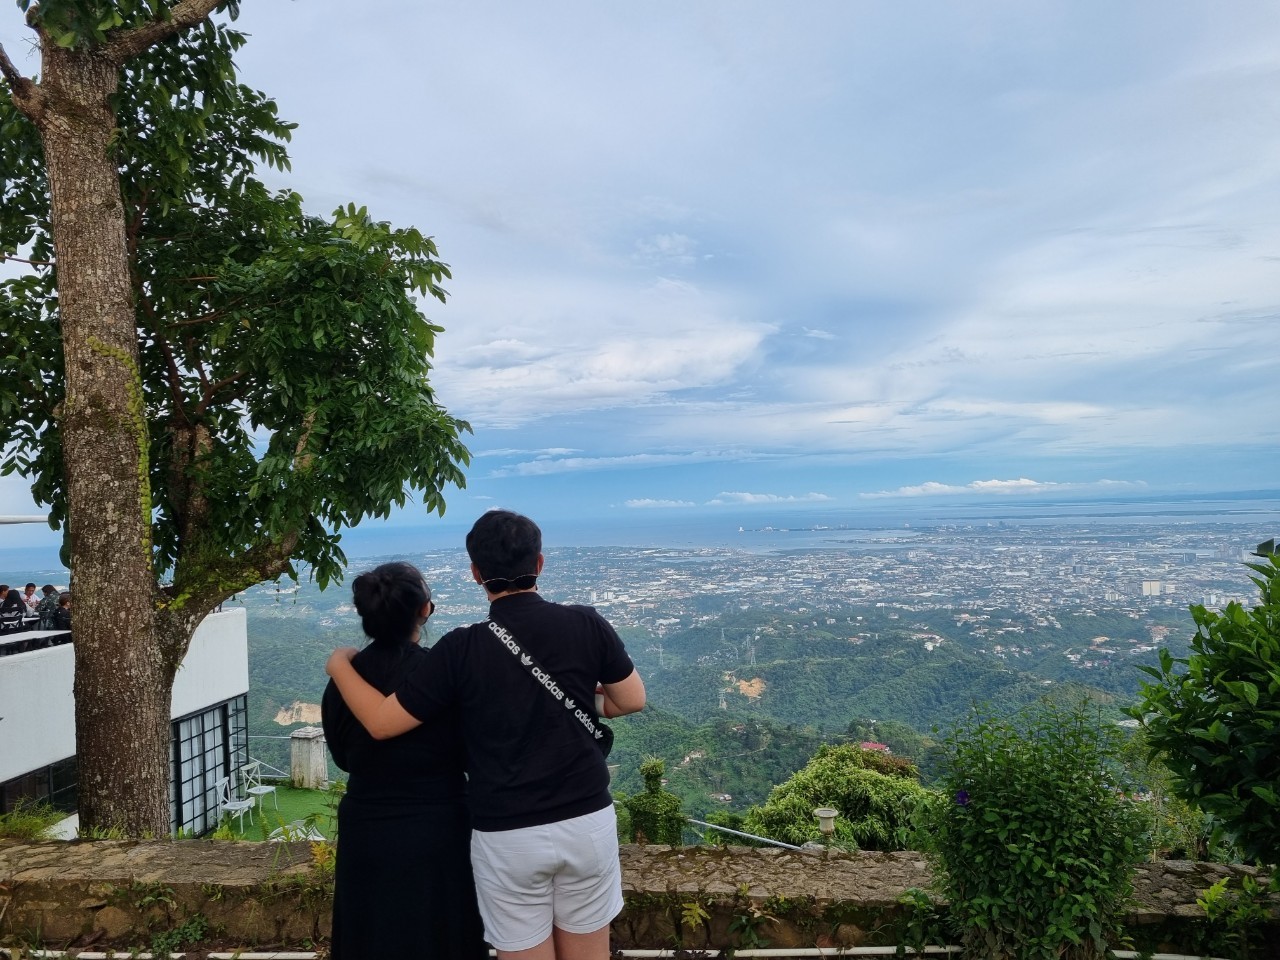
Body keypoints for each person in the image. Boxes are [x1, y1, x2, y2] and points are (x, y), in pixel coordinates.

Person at [327, 510, 646, 960]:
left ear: (476, 573)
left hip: (508, 832)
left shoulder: (462, 648)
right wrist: (579, 692)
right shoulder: (586, 622)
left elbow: (380, 723)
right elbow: (630, 699)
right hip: (585, 820)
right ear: (539, 563)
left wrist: (339, 664)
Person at [320, 562, 487, 960]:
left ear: (366, 615)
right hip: (440, 822)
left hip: (366, 823)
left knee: (370, 931)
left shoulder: (344, 680)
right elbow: (470, 748)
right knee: (443, 931)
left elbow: (343, 757)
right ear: (424, 610)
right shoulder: (441, 674)